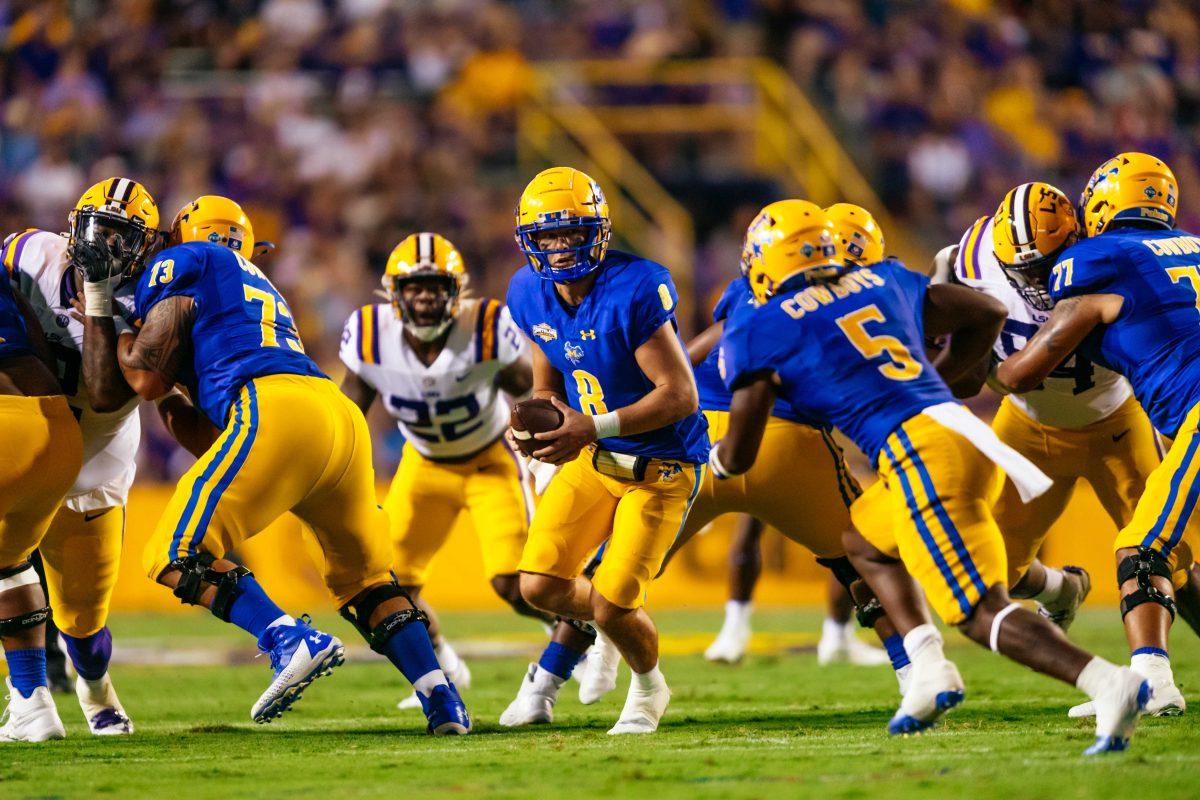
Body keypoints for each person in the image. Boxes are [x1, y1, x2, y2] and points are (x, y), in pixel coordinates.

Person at [713, 198, 1148, 754]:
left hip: (923, 455)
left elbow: (741, 452)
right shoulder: (882, 278)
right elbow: (985, 312)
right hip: (956, 433)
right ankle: (928, 668)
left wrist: (718, 464)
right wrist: (941, 379)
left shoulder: (762, 324)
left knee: (978, 611)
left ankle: (1108, 683)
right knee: (864, 543)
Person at [114, 195, 470, 734]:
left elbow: (142, 376)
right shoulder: (254, 287)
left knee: (172, 552)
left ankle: (286, 637)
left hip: (273, 406)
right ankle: (443, 701)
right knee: (367, 582)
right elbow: (212, 439)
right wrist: (173, 396)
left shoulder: (194, 260)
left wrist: (114, 324)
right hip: (336, 419)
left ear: (185, 233)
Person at [500, 166, 709, 734]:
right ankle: (610, 625)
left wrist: (591, 426)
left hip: (661, 465)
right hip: (595, 459)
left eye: (573, 232)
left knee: (613, 602)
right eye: (549, 236)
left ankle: (648, 685)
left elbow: (681, 395)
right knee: (538, 585)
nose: (562, 247)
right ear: (530, 240)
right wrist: (538, 418)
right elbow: (546, 375)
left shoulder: (635, 286)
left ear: (598, 231)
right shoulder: (527, 290)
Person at [996, 153, 1200, 718]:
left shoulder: (1096, 257)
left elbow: (1024, 371)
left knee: (1141, 548)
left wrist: (980, 363)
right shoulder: (1193, 247)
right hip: (1185, 419)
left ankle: (1152, 682)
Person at [339, 231, 549, 711]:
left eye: (436, 287)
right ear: (395, 292)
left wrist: (544, 451)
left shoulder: (486, 327)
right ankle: (441, 665)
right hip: (423, 463)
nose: (426, 298)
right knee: (387, 592)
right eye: (415, 287)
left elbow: (532, 391)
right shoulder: (370, 335)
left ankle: (571, 642)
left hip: (489, 459)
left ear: (456, 291)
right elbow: (349, 414)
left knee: (516, 586)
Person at [3, 177, 162, 735]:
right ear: (73, 225)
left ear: (145, 247)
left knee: (84, 625)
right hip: (29, 433)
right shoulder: (29, 253)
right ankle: (27, 695)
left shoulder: (152, 303)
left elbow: (103, 392)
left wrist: (96, 299)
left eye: (120, 236)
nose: (104, 244)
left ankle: (95, 687)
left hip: (93, 459)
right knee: (6, 557)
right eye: (97, 228)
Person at [0, 237, 83, 742]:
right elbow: (35, 338)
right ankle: (33, 704)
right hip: (57, 426)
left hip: (6, 422)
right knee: (9, 562)